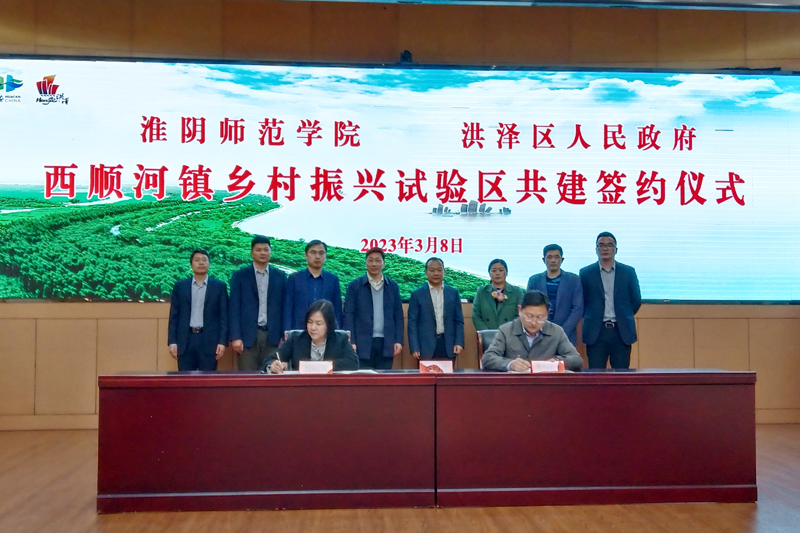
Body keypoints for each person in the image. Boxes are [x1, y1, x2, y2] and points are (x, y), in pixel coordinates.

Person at [579, 232, 642, 369]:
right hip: (596, 331)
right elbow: (581, 301)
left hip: (621, 331)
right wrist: (592, 316)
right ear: (596, 249)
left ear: (616, 249)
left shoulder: (628, 272)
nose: (605, 248)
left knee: (622, 375)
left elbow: (636, 299)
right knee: (595, 375)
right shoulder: (586, 273)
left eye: (609, 245)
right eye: (601, 245)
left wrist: (624, 315)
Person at [481, 290, 583, 372]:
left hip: (546, 386)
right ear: (520, 310)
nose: (534, 322)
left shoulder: (556, 331)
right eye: (529, 316)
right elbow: (488, 358)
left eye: (540, 317)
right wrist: (510, 364)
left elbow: (576, 359)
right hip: (515, 386)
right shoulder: (506, 330)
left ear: (547, 313)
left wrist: (557, 361)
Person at [229, 235, 286, 371]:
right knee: (247, 377)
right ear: (252, 253)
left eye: (266, 249)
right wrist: (235, 337)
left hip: (273, 336)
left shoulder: (280, 277)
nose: (262, 253)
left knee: (271, 374)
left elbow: (284, 308)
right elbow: (234, 308)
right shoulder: (240, 276)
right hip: (247, 336)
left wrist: (284, 336)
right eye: (258, 250)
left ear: (270, 252)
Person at [343, 247, 404, 369]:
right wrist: (351, 341)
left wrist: (398, 340)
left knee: (384, 379)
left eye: (378, 260)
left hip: (386, 342)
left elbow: (398, 315)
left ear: (383, 263)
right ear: (365, 263)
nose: (374, 264)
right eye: (370, 260)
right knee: (363, 378)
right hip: (362, 342)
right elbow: (349, 315)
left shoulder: (392, 286)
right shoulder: (355, 286)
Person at [167, 250, 229, 371]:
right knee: (185, 380)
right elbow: (174, 316)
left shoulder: (219, 287)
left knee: (208, 380)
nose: (201, 263)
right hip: (185, 340)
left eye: (204, 260)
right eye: (197, 260)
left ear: (209, 264)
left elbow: (223, 316)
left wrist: (222, 342)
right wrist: (172, 341)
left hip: (209, 341)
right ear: (191, 264)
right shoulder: (180, 286)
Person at [267, 299, 359, 373]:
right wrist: (272, 365)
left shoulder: (340, 339)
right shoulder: (295, 339)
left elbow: (353, 363)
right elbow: (270, 359)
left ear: (329, 324)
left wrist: (323, 366)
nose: (313, 327)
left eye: (318, 323)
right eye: (310, 322)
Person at [407, 257, 464, 361]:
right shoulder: (417, 294)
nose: (436, 273)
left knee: (448, 372)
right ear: (426, 272)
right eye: (432, 270)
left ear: (444, 271)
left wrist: (459, 342)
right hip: (425, 346)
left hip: (449, 345)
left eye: (439, 270)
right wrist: (414, 347)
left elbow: (458, 321)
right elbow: (412, 323)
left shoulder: (453, 293)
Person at [527, 244, 584, 346]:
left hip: (567, 335)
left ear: (562, 259)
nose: (553, 260)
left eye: (556, 257)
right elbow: (529, 307)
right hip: (539, 334)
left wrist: (561, 332)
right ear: (544, 260)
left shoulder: (574, 280)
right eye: (549, 257)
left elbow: (577, 308)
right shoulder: (534, 280)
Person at [283, 240, 343, 331]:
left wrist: (337, 332)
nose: (317, 256)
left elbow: (337, 310)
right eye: (313, 252)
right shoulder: (294, 278)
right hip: (299, 330)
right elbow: (288, 307)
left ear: (325, 256)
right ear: (306, 256)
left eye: (321, 253)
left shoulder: (332, 280)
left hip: (324, 332)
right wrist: (287, 331)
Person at [472, 258, 523, 331]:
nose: (497, 273)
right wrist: (485, 333)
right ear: (489, 273)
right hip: (487, 334)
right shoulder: (481, 291)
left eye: (501, 270)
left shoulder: (516, 292)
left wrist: (508, 333)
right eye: (494, 270)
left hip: (510, 334)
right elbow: (476, 315)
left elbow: (521, 315)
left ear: (506, 273)